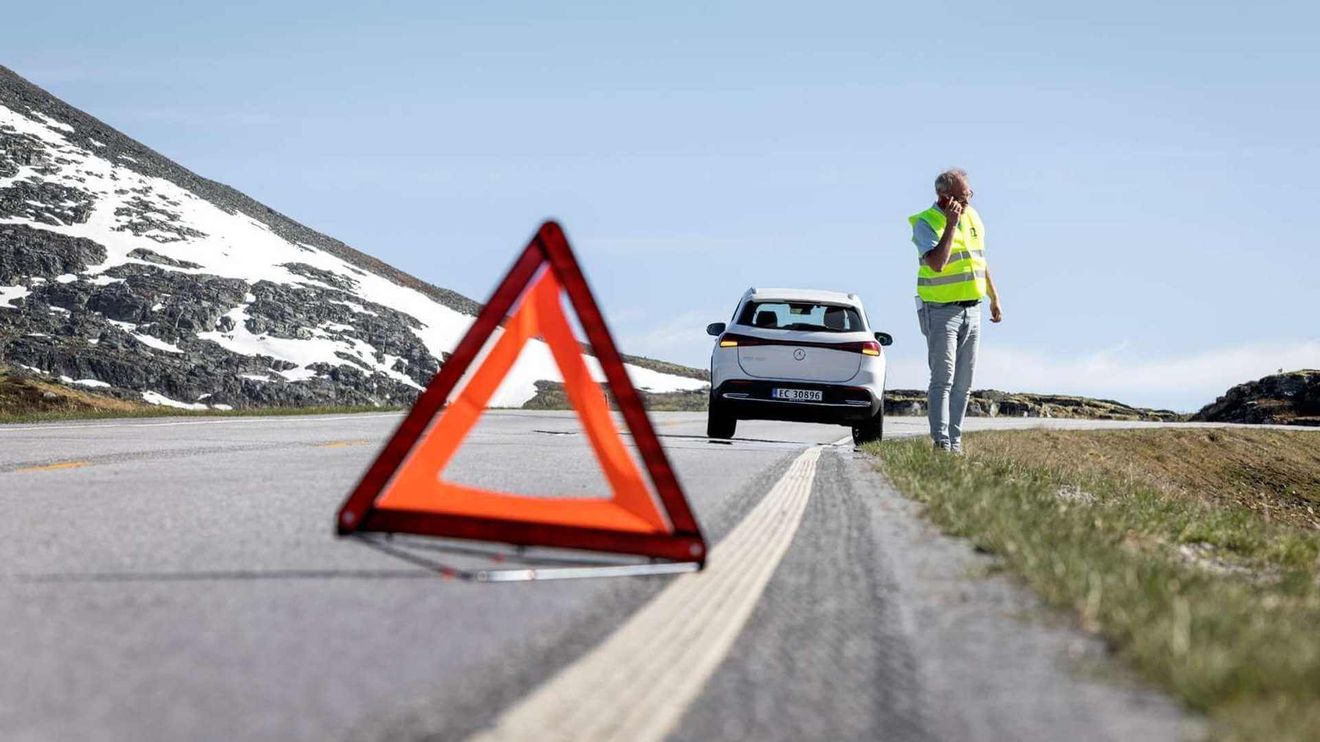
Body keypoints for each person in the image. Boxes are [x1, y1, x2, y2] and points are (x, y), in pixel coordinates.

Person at [909, 168, 1002, 453]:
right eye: (963, 197)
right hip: (941, 311)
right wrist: (950, 224)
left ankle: (956, 443)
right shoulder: (926, 223)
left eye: (969, 194)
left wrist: (993, 298)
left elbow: (979, 261)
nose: (969, 201)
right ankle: (941, 442)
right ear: (945, 197)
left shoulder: (973, 217)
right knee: (943, 378)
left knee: (964, 382)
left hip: (972, 310)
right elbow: (937, 264)